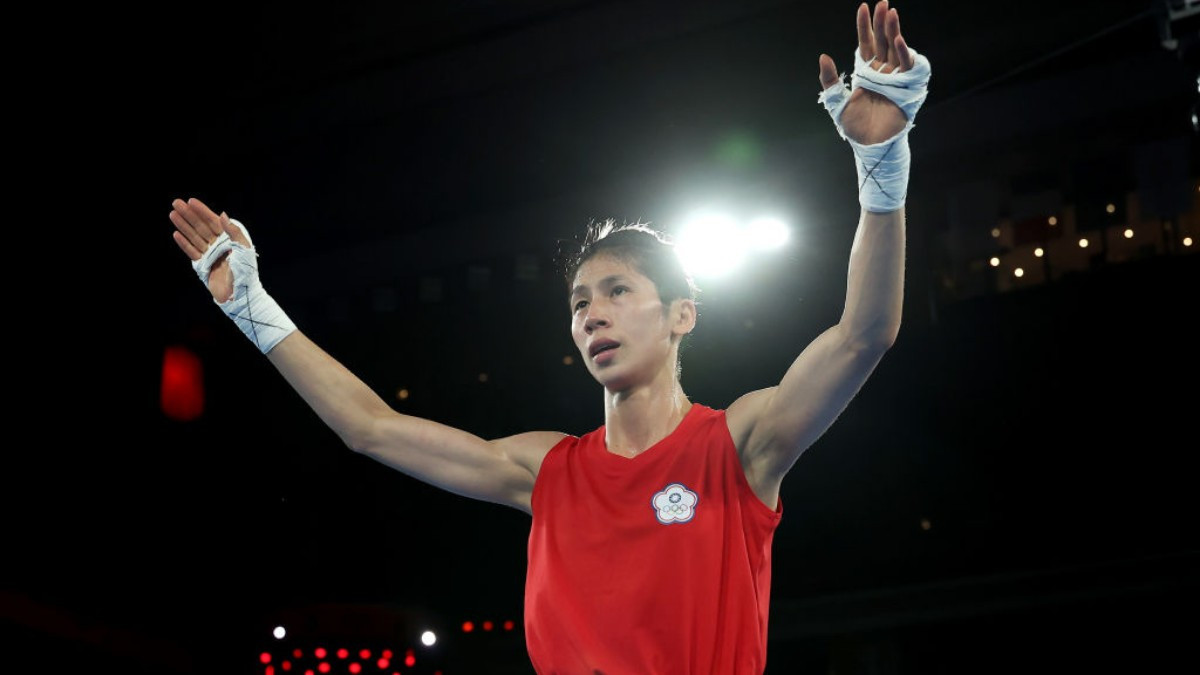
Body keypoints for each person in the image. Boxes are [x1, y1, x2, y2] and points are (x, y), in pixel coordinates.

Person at [167, 2, 929, 672]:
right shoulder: (546, 469)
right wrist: (253, 308)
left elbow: (863, 335)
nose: (591, 314)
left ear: (680, 315)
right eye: (578, 303)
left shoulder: (739, 443)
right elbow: (370, 427)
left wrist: (880, 163)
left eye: (617, 291)